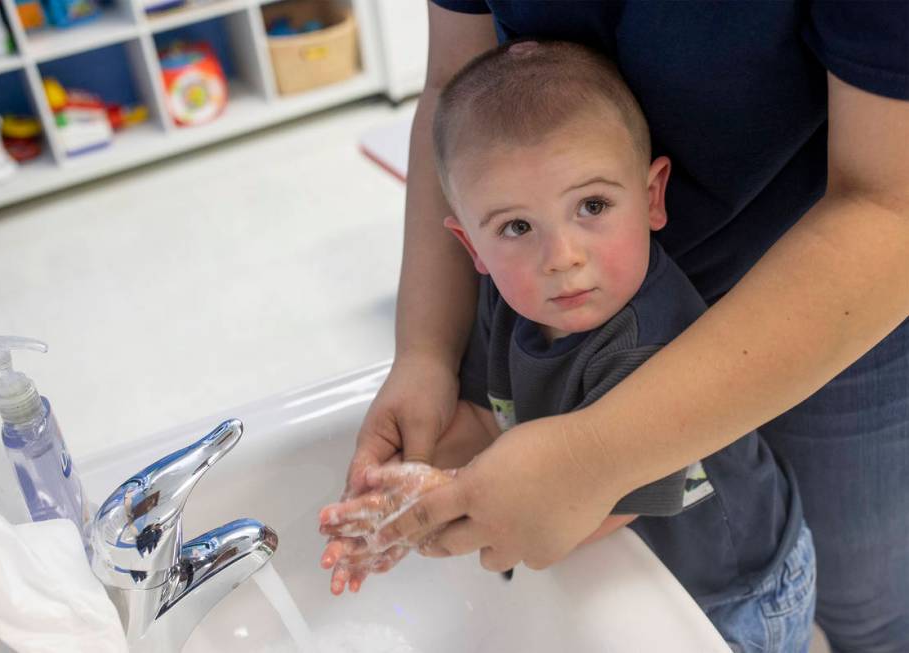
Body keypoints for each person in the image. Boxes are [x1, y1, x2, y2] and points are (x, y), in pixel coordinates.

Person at [344, 3, 909, 652]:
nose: (561, 259)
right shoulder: (509, 301)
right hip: (653, 573)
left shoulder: (644, 338)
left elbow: (564, 508)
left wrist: (444, 511)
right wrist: (422, 368)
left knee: (868, 603)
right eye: (516, 228)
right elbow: (453, 74)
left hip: (740, 594)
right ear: (472, 245)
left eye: (590, 207)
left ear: (651, 195)